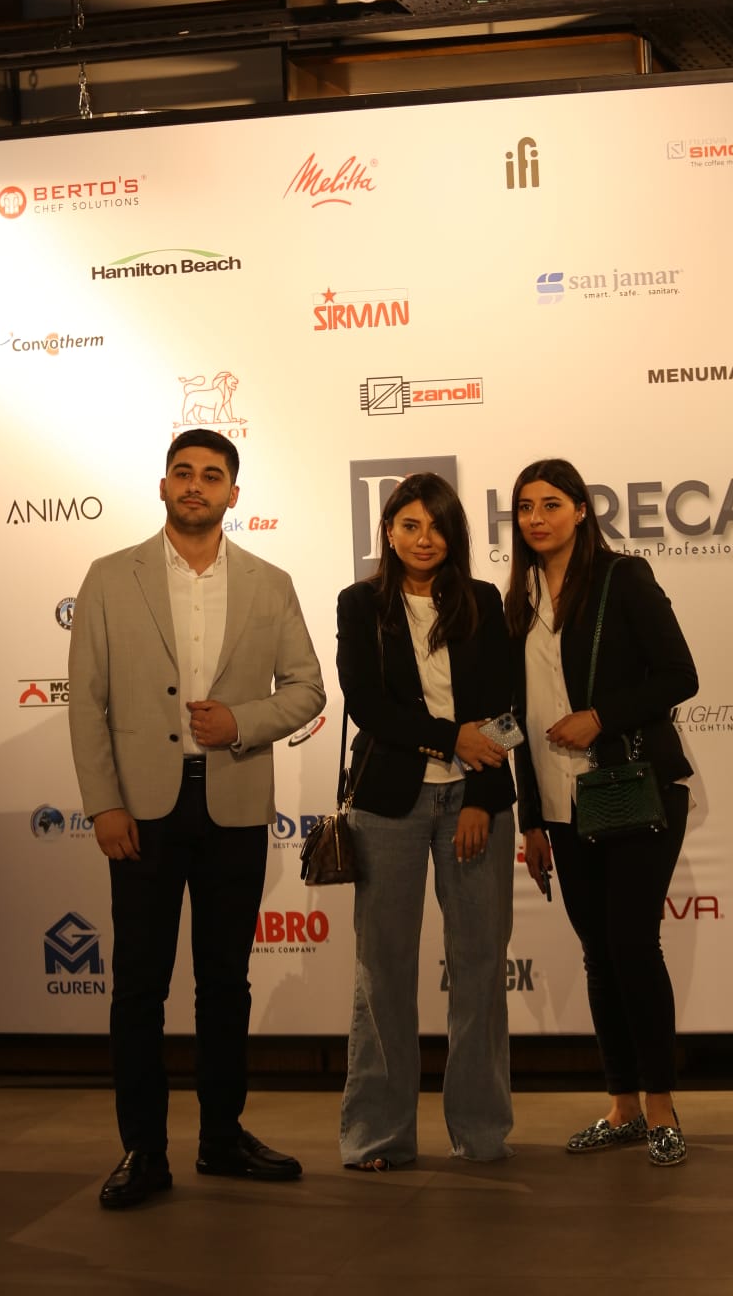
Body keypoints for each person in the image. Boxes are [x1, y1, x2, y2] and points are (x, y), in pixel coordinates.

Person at [68, 430, 325, 1208]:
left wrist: (242, 721)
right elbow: (86, 701)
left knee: (223, 983)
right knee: (138, 987)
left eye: (212, 476)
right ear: (162, 485)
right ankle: (143, 1151)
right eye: (183, 472)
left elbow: (307, 688)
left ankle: (221, 1138)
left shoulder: (270, 582)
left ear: (232, 495)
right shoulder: (110, 576)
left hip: (234, 805)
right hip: (140, 811)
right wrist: (104, 803)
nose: (195, 485)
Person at [505, 458, 698, 1167]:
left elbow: (679, 675)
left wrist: (600, 717)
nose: (536, 518)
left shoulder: (623, 578)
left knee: (632, 944)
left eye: (551, 504)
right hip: (560, 804)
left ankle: (662, 1106)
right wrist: (530, 819)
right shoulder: (516, 598)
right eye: (525, 507)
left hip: (632, 787)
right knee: (598, 953)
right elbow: (518, 719)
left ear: (582, 510)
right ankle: (622, 1105)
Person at [336, 472, 516, 1170]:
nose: (423, 539)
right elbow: (366, 704)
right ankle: (379, 1134)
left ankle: (481, 1131)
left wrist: (481, 797)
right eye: (410, 525)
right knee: (382, 970)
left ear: (455, 535)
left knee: (480, 967)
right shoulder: (360, 604)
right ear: (388, 532)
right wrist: (449, 740)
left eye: (437, 526)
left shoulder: (482, 600)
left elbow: (503, 703)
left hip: (472, 801)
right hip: (390, 804)